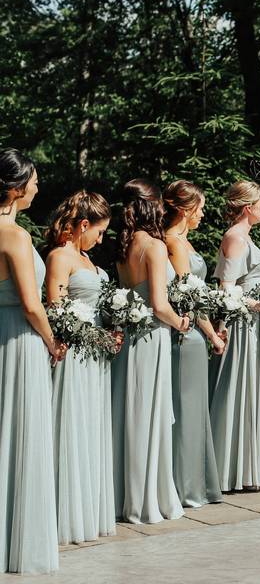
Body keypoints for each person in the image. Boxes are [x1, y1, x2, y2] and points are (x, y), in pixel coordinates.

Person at [0, 148, 62, 573]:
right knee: (21, 432)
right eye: (35, 181)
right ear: (18, 188)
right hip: (20, 340)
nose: (38, 187)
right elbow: (31, 305)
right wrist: (53, 341)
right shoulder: (15, 235)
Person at [113, 179, 190, 524]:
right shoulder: (155, 247)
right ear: (151, 206)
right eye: (159, 204)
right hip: (152, 337)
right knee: (149, 414)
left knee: (130, 415)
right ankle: (147, 498)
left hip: (130, 339)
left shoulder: (123, 247)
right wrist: (181, 323)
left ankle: (123, 493)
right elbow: (159, 304)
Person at [44, 191, 118, 543]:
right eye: (99, 232)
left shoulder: (89, 260)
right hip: (75, 358)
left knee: (92, 428)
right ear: (83, 225)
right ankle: (65, 516)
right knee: (72, 427)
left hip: (98, 359)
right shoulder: (60, 256)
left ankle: (89, 510)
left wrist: (115, 328)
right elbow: (56, 309)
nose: (101, 240)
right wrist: (89, 336)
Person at [210, 181, 260, 491]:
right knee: (244, 390)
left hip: (259, 325)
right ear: (248, 208)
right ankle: (234, 469)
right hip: (246, 326)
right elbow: (227, 289)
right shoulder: (234, 238)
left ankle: (254, 467)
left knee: (258, 392)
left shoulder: (245, 238)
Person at [163, 181, 224, 506]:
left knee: (195, 409)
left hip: (195, 333)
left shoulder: (183, 240)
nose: (202, 214)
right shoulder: (172, 242)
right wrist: (212, 334)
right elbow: (188, 298)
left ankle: (195, 484)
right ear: (186, 210)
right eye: (199, 208)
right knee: (185, 409)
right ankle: (185, 487)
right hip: (185, 335)